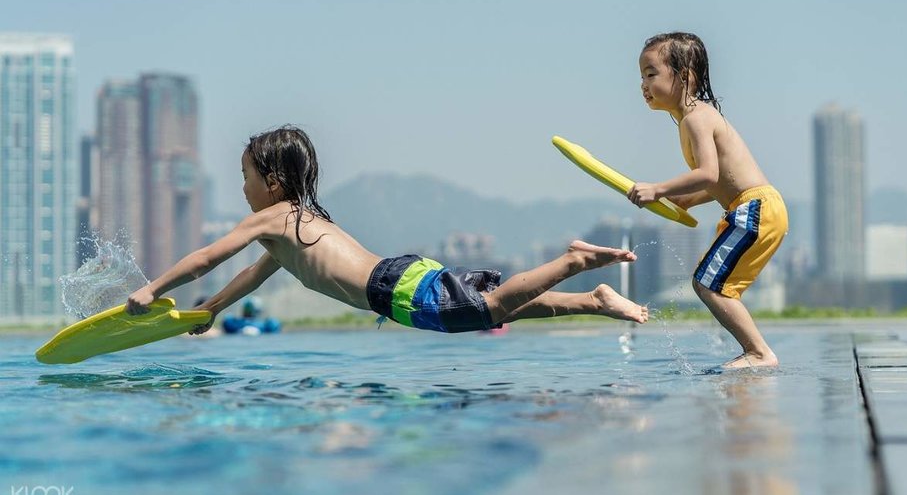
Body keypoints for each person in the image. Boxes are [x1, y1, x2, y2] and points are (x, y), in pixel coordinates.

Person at [125, 126, 647, 334]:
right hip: (402, 273)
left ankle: (572, 261)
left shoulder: (272, 217)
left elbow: (207, 257)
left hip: (389, 289)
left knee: (485, 311)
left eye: (245, 178)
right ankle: (594, 300)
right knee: (494, 301)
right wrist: (212, 307)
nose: (242, 189)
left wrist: (152, 289)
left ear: (274, 180)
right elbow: (253, 276)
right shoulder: (296, 227)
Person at [627, 33, 787, 369]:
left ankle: (759, 352)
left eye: (651, 74)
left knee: (707, 282)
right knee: (714, 282)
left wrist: (658, 189)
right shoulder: (693, 119)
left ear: (684, 76)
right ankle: (755, 351)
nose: (643, 84)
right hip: (757, 207)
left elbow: (709, 173)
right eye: (641, 76)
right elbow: (720, 180)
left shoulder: (696, 118)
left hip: (754, 208)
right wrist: (688, 200)